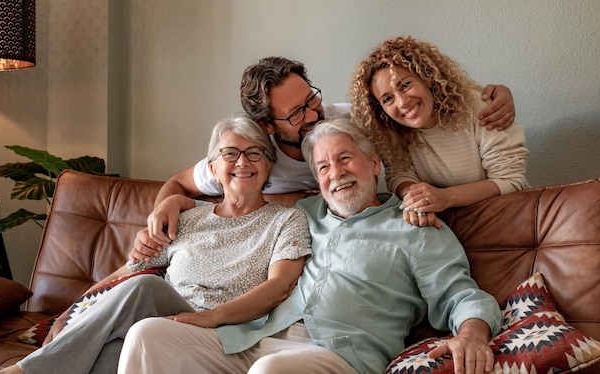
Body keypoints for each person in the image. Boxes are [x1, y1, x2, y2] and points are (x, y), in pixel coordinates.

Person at [118, 118, 501, 374]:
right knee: (147, 335)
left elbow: (461, 294)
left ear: (374, 163)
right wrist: (172, 201)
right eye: (323, 167)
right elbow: (228, 196)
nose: (336, 174)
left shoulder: (415, 225)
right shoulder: (302, 213)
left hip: (340, 354)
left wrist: (472, 334)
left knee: (269, 372)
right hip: (254, 338)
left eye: (345, 158)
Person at [0, 115, 312, 374]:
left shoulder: (286, 220)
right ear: (214, 168)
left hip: (225, 331)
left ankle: (24, 373)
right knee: (107, 356)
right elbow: (126, 272)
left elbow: (279, 288)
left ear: (269, 166)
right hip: (166, 325)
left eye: (254, 152)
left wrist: (210, 318)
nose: (242, 162)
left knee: (145, 287)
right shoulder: (187, 217)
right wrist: (72, 312)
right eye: (230, 153)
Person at [133, 56, 517, 260]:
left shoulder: (350, 119)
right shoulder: (250, 154)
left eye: (311, 99)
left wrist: (493, 93)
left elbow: (419, 101)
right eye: (296, 114)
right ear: (267, 126)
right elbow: (179, 182)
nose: (314, 115)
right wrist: (164, 204)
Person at [350, 36, 529, 229]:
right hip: (449, 229)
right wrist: (417, 198)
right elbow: (399, 177)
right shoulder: (391, 132)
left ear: (427, 77)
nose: (402, 102)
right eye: (387, 99)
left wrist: (445, 197)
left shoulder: (477, 109)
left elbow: (510, 181)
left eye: (405, 85)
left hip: (508, 222)